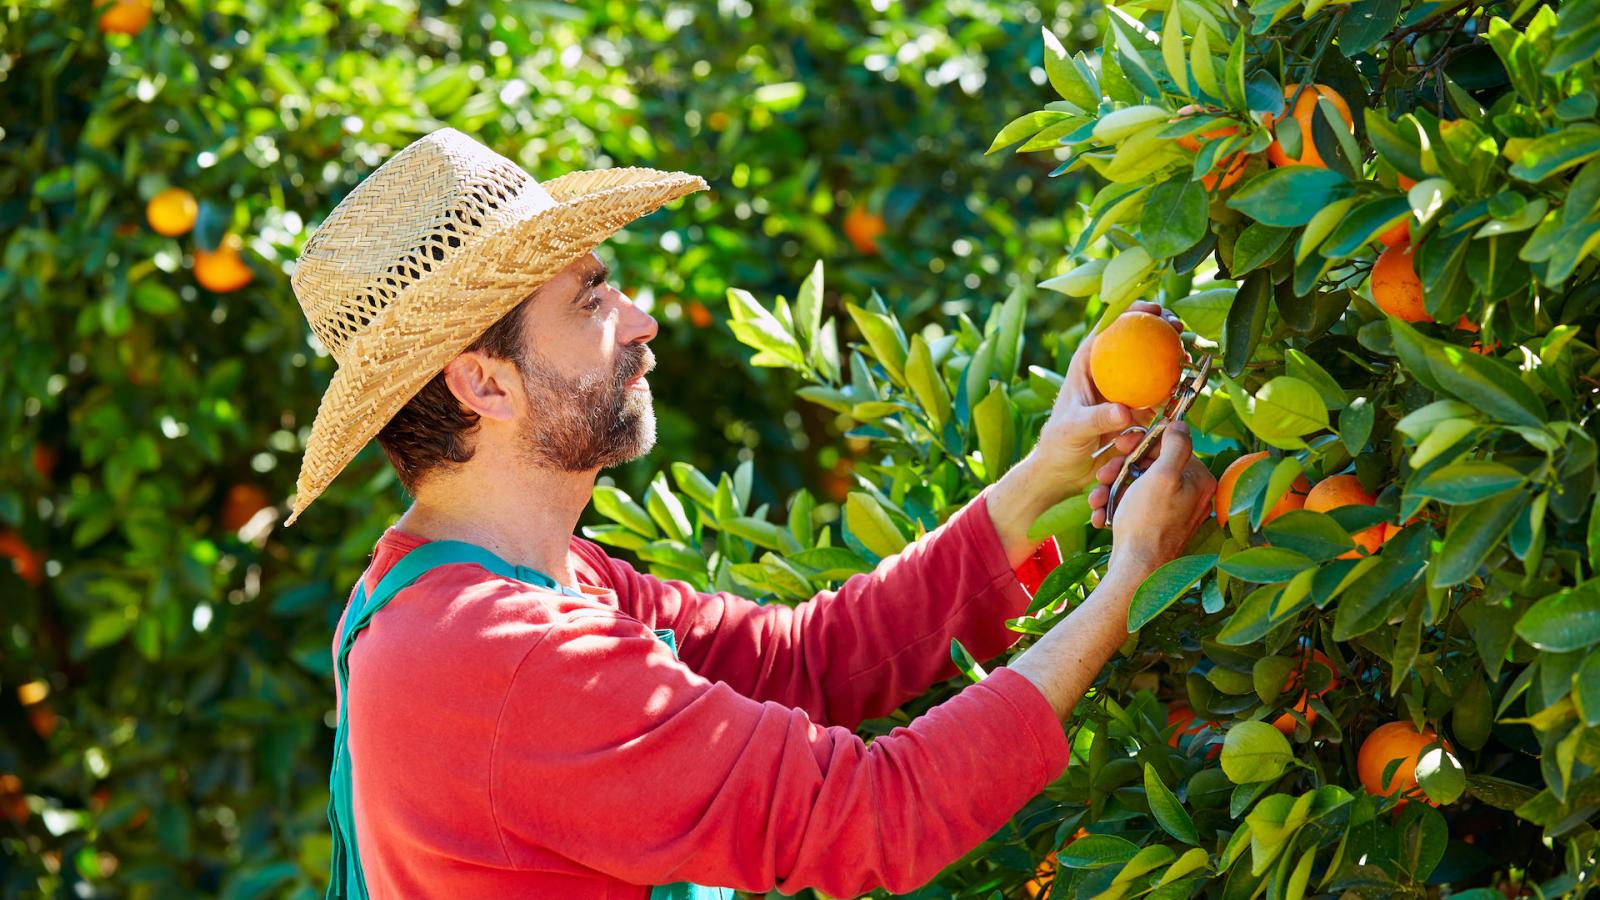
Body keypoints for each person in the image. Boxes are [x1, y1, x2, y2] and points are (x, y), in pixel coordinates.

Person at [284, 127, 1216, 899]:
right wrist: (1130, 579)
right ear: (485, 383)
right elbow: (875, 813)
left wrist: (1044, 480)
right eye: (592, 297)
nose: (640, 319)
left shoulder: (515, 588)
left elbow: (802, 661)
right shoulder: (504, 655)